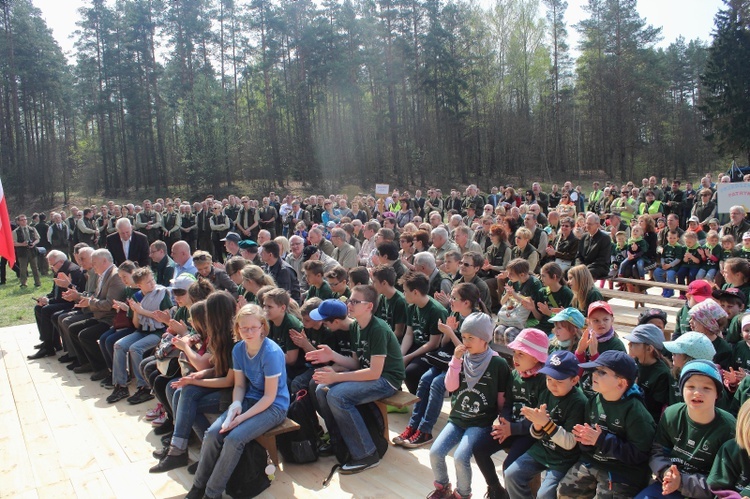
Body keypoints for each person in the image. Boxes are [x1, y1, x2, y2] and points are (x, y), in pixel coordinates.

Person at [184, 303, 288, 499]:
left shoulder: (271, 352)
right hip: (250, 398)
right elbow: (239, 385)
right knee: (213, 433)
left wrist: (242, 418)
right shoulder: (239, 349)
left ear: (262, 327)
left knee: (234, 439)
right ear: (237, 329)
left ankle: (212, 493)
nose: (248, 332)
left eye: (253, 328)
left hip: (274, 406)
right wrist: (236, 405)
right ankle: (198, 485)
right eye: (243, 328)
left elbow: (269, 396)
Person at [308, 284, 405, 474]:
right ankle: (339, 443)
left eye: (354, 301)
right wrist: (333, 356)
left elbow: (374, 373)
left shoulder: (378, 328)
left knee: (337, 396)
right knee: (321, 389)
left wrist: (337, 376)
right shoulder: (356, 327)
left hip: (388, 380)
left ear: (369, 306)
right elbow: (355, 362)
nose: (349, 304)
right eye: (349, 300)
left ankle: (366, 454)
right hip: (372, 375)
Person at [427, 313, 510, 499]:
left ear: (485, 339)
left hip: (480, 422)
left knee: (460, 456)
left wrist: (502, 421)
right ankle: (443, 488)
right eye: (463, 337)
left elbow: (502, 398)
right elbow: (450, 387)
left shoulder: (498, 363)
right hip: (457, 418)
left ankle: (463, 494)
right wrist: (455, 362)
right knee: (435, 452)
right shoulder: (462, 358)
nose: (465, 341)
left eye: (470, 337)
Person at [557, 351, 656, 498]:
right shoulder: (594, 400)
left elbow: (641, 454)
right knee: (564, 491)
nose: (594, 375)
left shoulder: (635, 412)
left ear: (621, 383)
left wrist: (601, 440)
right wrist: (585, 440)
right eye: (595, 370)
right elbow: (587, 443)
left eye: (602, 372)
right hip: (593, 461)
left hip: (623, 470)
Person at [637, 360, 736, 499]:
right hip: (668, 483)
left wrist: (681, 482)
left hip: (703, 492)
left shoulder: (728, 427)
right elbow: (658, 451)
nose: (697, 392)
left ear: (717, 394)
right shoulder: (672, 414)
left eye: (706, 388)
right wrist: (666, 472)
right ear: (682, 390)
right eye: (690, 386)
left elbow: (722, 481)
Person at [473, 328, 549, 497]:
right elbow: (508, 403)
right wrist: (505, 422)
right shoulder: (515, 374)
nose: (515, 357)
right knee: (479, 448)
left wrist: (512, 429)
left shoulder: (544, 380)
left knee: (509, 466)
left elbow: (540, 419)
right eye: (515, 352)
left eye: (521, 354)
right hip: (511, 427)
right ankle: (496, 489)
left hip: (531, 434)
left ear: (536, 357)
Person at [504, 350, 587, 499]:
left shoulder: (579, 402)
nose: (553, 385)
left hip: (564, 458)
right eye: (549, 379)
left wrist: (546, 423)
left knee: (545, 494)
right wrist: (536, 424)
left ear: (574, 380)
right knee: (511, 474)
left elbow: (569, 443)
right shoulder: (546, 392)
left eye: (559, 381)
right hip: (542, 449)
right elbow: (536, 433)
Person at [107, 267, 172, 404]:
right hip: (142, 331)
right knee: (118, 345)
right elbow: (136, 325)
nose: (152, 283)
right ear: (139, 286)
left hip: (159, 331)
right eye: (147, 282)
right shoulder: (136, 297)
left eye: (152, 280)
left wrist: (142, 311)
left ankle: (144, 387)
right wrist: (135, 312)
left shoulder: (161, 293)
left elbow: (166, 318)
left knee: (135, 348)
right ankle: (121, 385)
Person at [401, 271, 450, 394]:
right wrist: (400, 355)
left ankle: (421, 400)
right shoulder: (411, 307)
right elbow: (409, 334)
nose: (403, 294)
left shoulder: (436, 311)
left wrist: (408, 357)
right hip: (416, 345)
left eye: (405, 291)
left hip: (430, 350)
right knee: (391, 362)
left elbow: (433, 344)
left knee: (411, 372)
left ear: (415, 292)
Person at [624, 324, 673, 423]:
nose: (629, 345)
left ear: (649, 349)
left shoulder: (662, 373)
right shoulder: (634, 362)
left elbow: (654, 408)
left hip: (646, 420)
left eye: (634, 342)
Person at [573, 214, 610, 279]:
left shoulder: (604, 238)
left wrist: (585, 268)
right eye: (587, 223)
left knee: (585, 274)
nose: (587, 226)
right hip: (584, 267)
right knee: (568, 272)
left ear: (598, 225)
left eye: (590, 224)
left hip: (598, 267)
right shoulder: (584, 237)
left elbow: (602, 259)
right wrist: (580, 266)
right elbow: (579, 255)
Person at [13, 214, 41, 288]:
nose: (24, 221)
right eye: (22, 220)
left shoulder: (32, 229)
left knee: (35, 267)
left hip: (32, 251)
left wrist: (34, 243)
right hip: (22, 252)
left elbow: (37, 238)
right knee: (23, 269)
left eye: (25, 219)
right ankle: (23, 283)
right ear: (18, 221)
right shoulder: (16, 231)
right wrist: (22, 244)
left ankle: (37, 282)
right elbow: (13, 243)